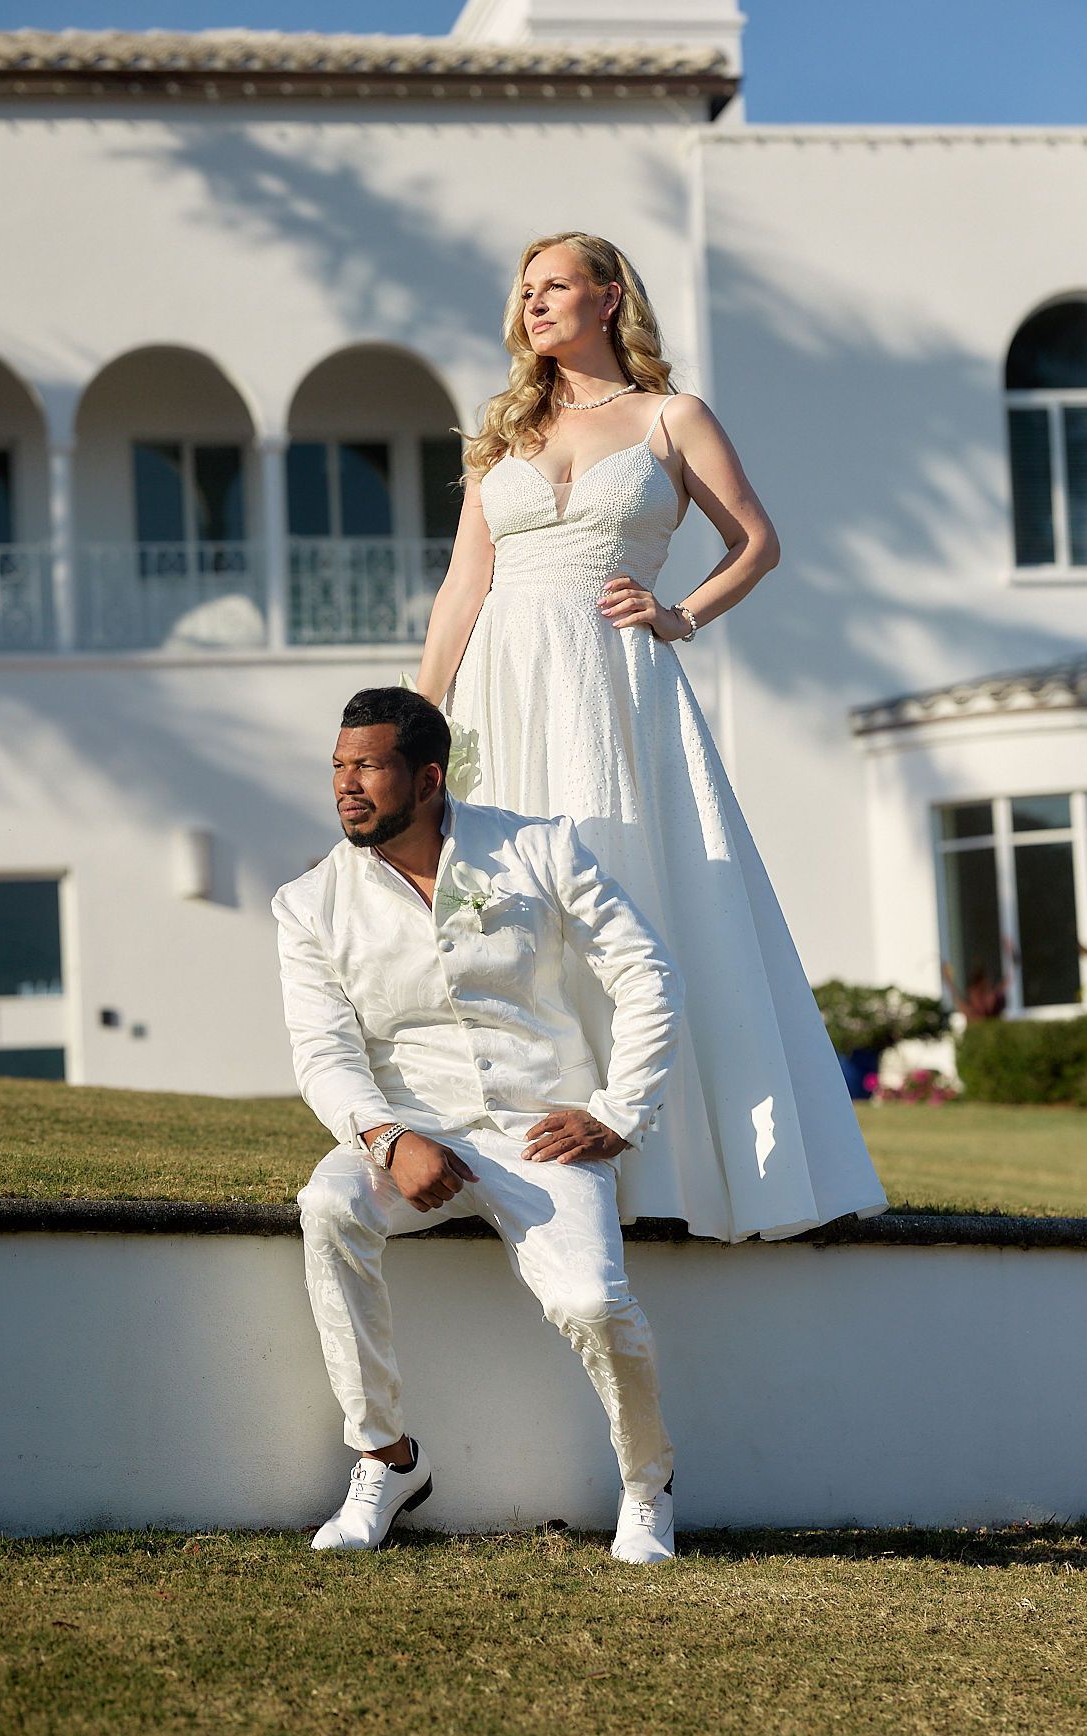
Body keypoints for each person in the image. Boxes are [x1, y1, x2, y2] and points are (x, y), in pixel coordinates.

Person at [415, 229, 889, 1244]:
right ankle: (503, 1156)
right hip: (500, 688)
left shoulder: (672, 418)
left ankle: (656, 1171)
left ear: (606, 294)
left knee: (627, 887)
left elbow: (755, 542)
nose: (535, 303)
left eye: (555, 286)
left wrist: (680, 616)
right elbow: (464, 586)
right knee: (506, 908)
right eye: (526, 290)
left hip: (611, 685)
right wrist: (422, 721)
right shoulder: (503, 433)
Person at [273, 686, 683, 1561]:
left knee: (591, 1301)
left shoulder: (537, 848)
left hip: (542, 1133)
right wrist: (386, 1138)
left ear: (427, 779)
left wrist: (617, 1113)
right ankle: (385, 1459)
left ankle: (648, 1486)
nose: (347, 786)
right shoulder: (308, 905)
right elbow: (324, 1055)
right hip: (406, 1131)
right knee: (329, 1206)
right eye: (338, 767)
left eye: (368, 767)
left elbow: (646, 970)